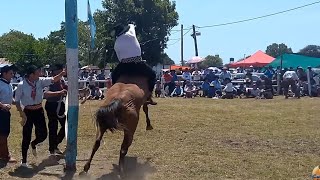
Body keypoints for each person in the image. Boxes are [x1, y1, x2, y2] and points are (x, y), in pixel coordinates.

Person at [15, 65, 66, 167]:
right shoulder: (21, 85)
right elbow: (17, 101)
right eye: (38, 71)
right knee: (26, 136)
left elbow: (53, 79)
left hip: (39, 111)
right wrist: (22, 113)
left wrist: (62, 73)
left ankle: (34, 143)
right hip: (28, 112)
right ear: (31, 74)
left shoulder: (40, 81)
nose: (40, 72)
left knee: (43, 135)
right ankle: (24, 160)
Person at [110, 23, 157, 105]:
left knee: (113, 76)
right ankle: (149, 96)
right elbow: (132, 26)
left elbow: (119, 57)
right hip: (137, 64)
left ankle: (114, 95)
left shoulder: (116, 43)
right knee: (152, 75)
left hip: (123, 66)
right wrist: (130, 25)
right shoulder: (131, 34)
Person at [44, 64, 68, 156]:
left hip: (60, 104)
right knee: (53, 127)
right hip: (51, 105)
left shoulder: (61, 79)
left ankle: (55, 143)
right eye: (61, 69)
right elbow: (46, 94)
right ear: (55, 71)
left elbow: (66, 88)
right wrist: (59, 92)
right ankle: (52, 148)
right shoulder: (49, 80)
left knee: (65, 125)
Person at [0, 65, 17, 163]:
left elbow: (10, 98)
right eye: (10, 73)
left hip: (6, 113)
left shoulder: (8, 84)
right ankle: (5, 155)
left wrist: (16, 102)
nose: (12, 75)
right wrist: (2, 106)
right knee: (3, 135)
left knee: (4, 133)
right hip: (1, 112)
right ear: (4, 73)